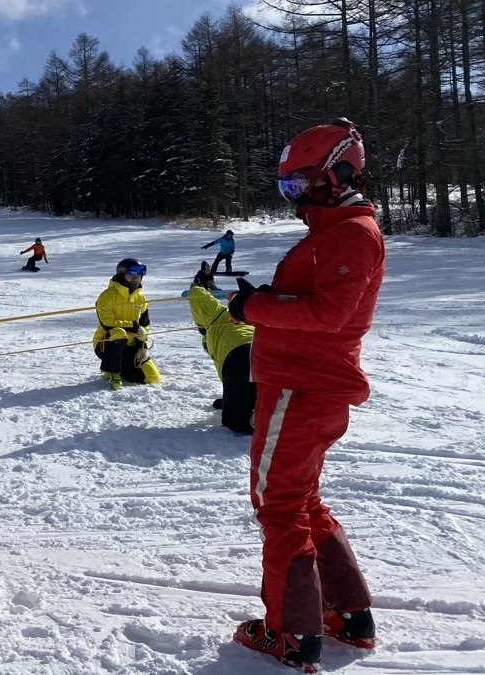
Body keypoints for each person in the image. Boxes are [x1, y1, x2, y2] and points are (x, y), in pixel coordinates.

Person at [227, 118, 384, 671]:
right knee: (304, 501)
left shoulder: (350, 235)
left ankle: (292, 634)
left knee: (279, 506)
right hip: (308, 383)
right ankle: (348, 615)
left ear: (338, 173)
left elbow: (330, 313)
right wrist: (270, 297)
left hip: (301, 386)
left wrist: (254, 308)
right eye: (286, 187)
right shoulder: (333, 232)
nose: (293, 197)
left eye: (298, 184)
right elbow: (315, 300)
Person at [187, 273, 253, 434]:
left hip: (239, 356)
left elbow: (196, 294)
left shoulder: (218, 314)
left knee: (234, 422)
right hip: (263, 351)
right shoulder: (250, 315)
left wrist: (198, 282)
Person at [93, 258, 161, 390]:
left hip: (131, 346)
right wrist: (135, 327)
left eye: (138, 276)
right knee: (119, 333)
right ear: (122, 275)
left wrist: (143, 344)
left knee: (152, 377)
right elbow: (108, 323)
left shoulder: (141, 299)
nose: (135, 279)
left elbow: (145, 324)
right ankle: (112, 372)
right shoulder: (107, 296)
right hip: (107, 343)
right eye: (131, 276)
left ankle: (121, 368)